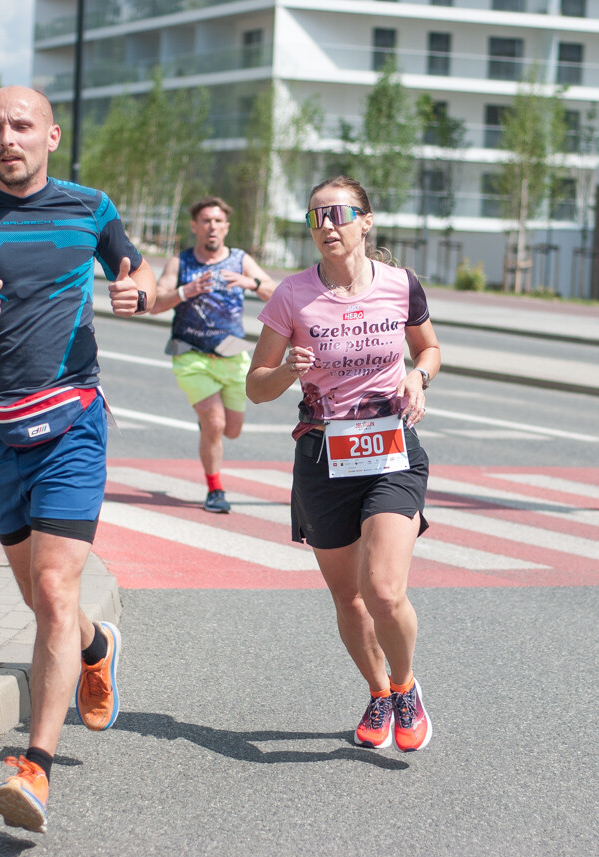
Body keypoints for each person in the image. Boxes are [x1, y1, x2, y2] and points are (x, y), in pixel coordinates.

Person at [0, 86, 156, 833]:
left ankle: (34, 767)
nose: (8, 136)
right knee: (45, 603)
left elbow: (132, 270)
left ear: (51, 134)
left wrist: (133, 290)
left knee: (51, 587)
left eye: (21, 125)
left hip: (73, 417)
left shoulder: (90, 208)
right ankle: (96, 646)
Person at [246, 175, 441, 752]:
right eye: (315, 217)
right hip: (323, 458)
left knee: (382, 589)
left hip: (390, 452)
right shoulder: (292, 296)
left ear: (366, 220)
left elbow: (429, 347)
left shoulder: (401, 285)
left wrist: (417, 375)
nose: (327, 225)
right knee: (348, 598)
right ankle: (378, 691)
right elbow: (256, 387)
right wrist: (288, 372)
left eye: (339, 213)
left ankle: (406, 688)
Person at [150, 197, 275, 513]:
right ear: (195, 226)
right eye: (205, 221)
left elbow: (277, 293)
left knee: (231, 430)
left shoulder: (240, 260)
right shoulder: (181, 263)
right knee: (216, 422)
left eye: (218, 221)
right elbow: (155, 303)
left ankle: (208, 424)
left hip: (232, 356)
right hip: (190, 354)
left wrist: (252, 282)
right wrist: (186, 291)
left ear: (226, 227)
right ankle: (215, 490)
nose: (212, 227)